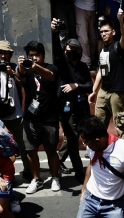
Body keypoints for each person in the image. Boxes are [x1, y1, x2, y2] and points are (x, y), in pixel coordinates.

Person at [17, 40, 60, 194]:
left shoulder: (51, 67)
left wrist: (35, 67)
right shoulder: (27, 70)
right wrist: (21, 67)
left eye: (37, 55)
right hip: (30, 118)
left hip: (49, 118)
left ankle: (55, 177)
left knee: (51, 151)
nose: (34, 58)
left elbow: (50, 76)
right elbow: (20, 80)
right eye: (30, 55)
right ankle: (37, 179)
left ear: (42, 55)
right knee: (30, 151)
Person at [0, 40, 29, 178]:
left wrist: (12, 73)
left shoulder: (15, 67)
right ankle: (2, 173)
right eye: (0, 53)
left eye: (6, 53)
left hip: (15, 114)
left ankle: (28, 171)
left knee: (22, 145)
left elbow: (22, 84)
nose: (3, 56)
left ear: (10, 55)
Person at [51, 31, 92, 181]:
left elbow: (89, 86)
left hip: (81, 107)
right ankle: (79, 171)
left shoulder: (83, 67)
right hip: (66, 108)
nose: (73, 52)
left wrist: (77, 86)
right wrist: (55, 34)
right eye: (70, 49)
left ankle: (59, 160)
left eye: (76, 50)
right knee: (73, 139)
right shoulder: (62, 64)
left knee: (75, 137)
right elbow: (56, 50)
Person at [89, 13, 124, 142]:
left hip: (117, 93)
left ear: (113, 32)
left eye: (106, 31)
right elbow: (101, 71)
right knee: (98, 125)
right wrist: (94, 91)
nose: (103, 34)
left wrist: (121, 21)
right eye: (101, 32)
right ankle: (98, 150)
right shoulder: (102, 49)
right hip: (103, 91)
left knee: (120, 125)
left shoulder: (118, 46)